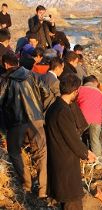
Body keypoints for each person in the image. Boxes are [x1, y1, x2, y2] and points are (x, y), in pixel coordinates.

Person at [0, 53, 49, 198]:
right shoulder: (32, 75)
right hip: (37, 119)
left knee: (15, 152)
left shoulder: (5, 80)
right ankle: (42, 190)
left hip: (16, 122)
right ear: (17, 62)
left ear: (6, 64)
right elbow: (45, 92)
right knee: (41, 153)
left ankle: (26, 183)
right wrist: (38, 108)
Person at [45, 73, 96, 209]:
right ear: (75, 91)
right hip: (64, 162)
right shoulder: (62, 111)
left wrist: (85, 152)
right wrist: (86, 154)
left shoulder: (57, 106)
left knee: (67, 200)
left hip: (60, 159)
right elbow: (72, 138)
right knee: (72, 200)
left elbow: (79, 127)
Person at [77, 75, 102, 159]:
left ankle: (80, 158)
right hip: (97, 119)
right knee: (95, 140)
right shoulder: (101, 93)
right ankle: (98, 163)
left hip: (83, 118)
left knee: (77, 137)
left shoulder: (80, 89)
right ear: (94, 82)